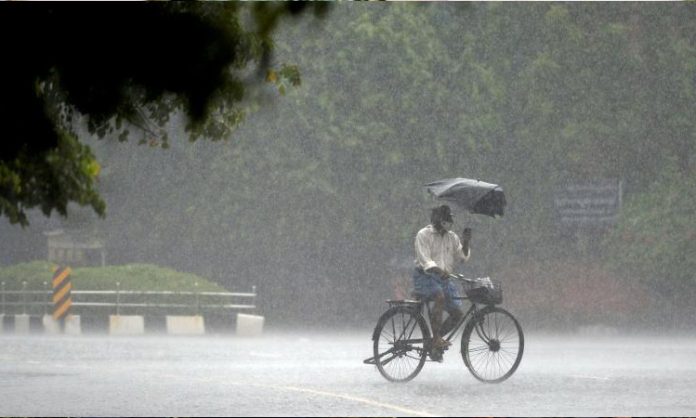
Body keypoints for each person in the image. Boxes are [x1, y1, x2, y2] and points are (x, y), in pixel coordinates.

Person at [413, 204, 472, 357]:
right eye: (444, 219)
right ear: (437, 219)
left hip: (443, 279)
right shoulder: (423, 235)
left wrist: (466, 241)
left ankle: (434, 340)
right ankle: (437, 338)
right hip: (425, 277)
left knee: (457, 314)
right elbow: (425, 261)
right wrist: (439, 271)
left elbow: (462, 257)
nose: (447, 223)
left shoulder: (452, 237)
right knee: (439, 296)